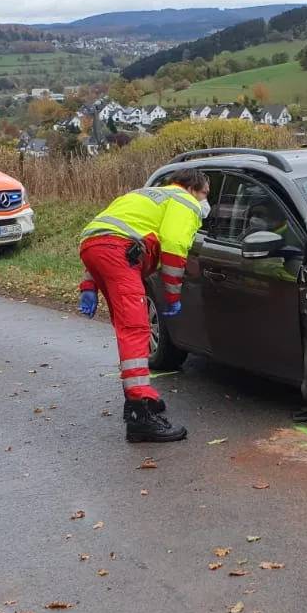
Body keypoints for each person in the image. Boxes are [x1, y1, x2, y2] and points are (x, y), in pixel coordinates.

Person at [77, 169, 210, 443]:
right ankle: (140, 414)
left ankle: (143, 400)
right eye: (206, 194)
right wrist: (172, 296)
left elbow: (103, 236)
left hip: (94, 247)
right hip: (118, 252)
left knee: (128, 327)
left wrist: (89, 285)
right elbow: (174, 247)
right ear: (192, 188)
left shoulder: (143, 195)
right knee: (137, 329)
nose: (207, 202)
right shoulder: (184, 202)